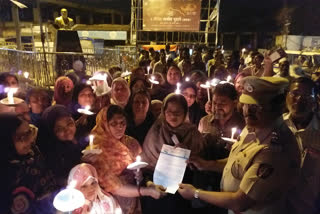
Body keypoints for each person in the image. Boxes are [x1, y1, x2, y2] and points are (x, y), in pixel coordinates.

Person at [179, 76, 301, 214]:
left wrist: (196, 193)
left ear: (276, 108)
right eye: (246, 104)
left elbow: (240, 202)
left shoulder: (274, 149)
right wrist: (206, 164)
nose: (247, 112)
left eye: (255, 107)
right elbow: (236, 161)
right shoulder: (253, 127)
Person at [84, 105, 165, 214]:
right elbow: (114, 186)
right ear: (104, 124)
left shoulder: (132, 143)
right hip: (111, 203)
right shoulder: (96, 151)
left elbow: (143, 167)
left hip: (135, 197)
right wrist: (146, 191)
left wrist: (142, 177)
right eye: (113, 124)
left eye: (123, 123)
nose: (119, 127)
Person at [141, 93, 206, 214]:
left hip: (183, 193)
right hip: (157, 191)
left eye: (178, 112)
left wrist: (187, 153)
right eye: (169, 110)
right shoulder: (155, 131)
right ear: (163, 111)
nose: (173, 115)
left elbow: (201, 166)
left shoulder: (193, 134)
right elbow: (147, 165)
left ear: (185, 112)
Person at [0, 113, 57, 214]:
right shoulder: (5, 174)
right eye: (22, 137)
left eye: (30, 132)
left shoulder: (33, 153)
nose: (30, 140)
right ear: (5, 140)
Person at [284, 77, 320, 214]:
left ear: (315, 100)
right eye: (295, 93)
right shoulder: (276, 125)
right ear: (286, 95)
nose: (299, 99)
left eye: (306, 95)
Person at [37, 105, 82, 186]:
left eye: (69, 124)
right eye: (59, 129)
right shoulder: (50, 153)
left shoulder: (77, 138)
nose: (67, 130)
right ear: (50, 131)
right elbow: (61, 180)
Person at [70, 83, 97, 148]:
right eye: (82, 95)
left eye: (90, 95)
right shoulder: (70, 117)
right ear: (77, 98)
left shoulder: (98, 116)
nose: (87, 98)